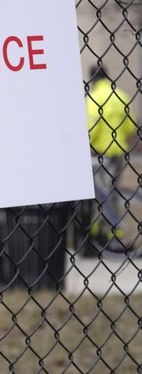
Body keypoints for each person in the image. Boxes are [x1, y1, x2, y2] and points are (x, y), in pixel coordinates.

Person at [85, 65, 137, 252]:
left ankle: (105, 235)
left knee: (101, 196)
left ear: (92, 80)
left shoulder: (93, 99)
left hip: (100, 155)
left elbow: (91, 130)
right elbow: (131, 126)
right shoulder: (120, 95)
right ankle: (110, 234)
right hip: (118, 152)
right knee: (110, 193)